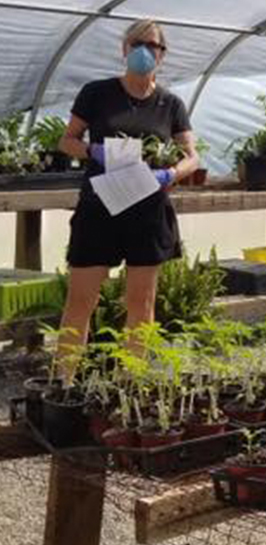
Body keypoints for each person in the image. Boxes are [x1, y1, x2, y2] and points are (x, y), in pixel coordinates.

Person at [56, 19, 199, 374]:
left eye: (152, 45)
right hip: (100, 205)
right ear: (123, 49)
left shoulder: (171, 104)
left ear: (162, 55)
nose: (143, 51)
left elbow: (192, 156)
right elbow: (66, 140)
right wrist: (94, 152)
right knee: (81, 300)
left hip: (146, 210)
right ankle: (64, 381)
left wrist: (170, 173)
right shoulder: (97, 93)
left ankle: (131, 383)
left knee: (141, 302)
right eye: (136, 43)